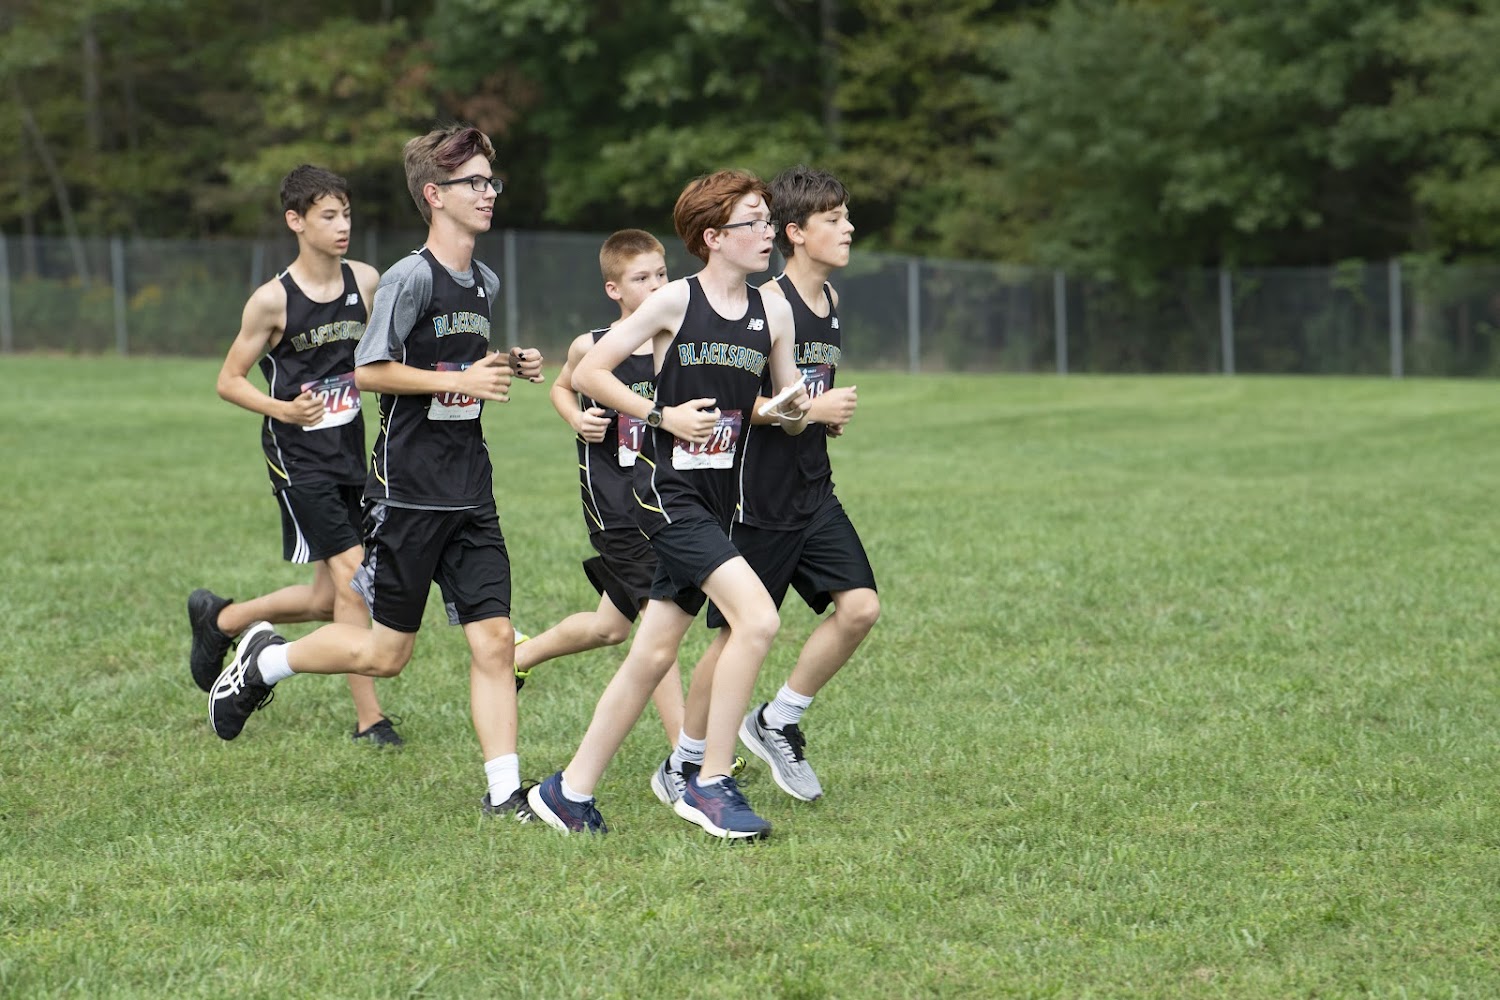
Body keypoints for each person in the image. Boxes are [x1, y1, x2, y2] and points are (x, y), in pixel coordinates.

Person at [207, 123, 545, 819]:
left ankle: (504, 792)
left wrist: (506, 362)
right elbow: (370, 371)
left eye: (491, 181)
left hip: (470, 488)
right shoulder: (407, 277)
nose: (489, 193)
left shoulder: (483, 280)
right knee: (387, 655)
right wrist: (460, 379)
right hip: (408, 493)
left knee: (493, 640)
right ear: (435, 195)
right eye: (474, 183)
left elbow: (455, 364)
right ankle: (264, 663)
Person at [527, 169, 810, 840]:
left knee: (652, 655)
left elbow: (788, 409)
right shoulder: (674, 301)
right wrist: (663, 415)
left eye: (768, 220)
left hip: (720, 500)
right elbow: (591, 371)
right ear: (713, 237)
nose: (767, 232)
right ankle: (709, 780)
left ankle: (568, 792)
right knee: (757, 620)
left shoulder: (774, 312)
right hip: (666, 494)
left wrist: (795, 408)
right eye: (752, 222)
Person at [186, 164, 400, 747]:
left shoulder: (366, 281)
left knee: (325, 599)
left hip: (351, 454)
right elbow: (229, 380)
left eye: (346, 214)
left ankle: (221, 620)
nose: (342, 225)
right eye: (328, 216)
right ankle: (370, 719)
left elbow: (387, 353)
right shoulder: (271, 300)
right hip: (298, 459)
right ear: (295, 221)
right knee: (356, 580)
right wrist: (283, 410)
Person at [692, 165, 880, 803]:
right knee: (734, 637)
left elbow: (803, 393)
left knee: (861, 607)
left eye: (846, 216)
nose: (848, 228)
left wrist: (821, 416)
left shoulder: (831, 302)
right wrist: (809, 410)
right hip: (758, 500)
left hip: (813, 491)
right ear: (795, 233)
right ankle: (686, 759)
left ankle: (778, 720)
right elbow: (734, 404)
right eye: (833, 219)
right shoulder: (766, 304)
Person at [510, 229, 690, 768]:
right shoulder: (592, 347)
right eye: (641, 278)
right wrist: (576, 418)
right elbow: (561, 386)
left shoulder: (680, 342)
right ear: (614, 289)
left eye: (662, 274)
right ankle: (688, 756)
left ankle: (521, 654)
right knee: (660, 620)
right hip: (616, 508)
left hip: (667, 501)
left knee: (610, 627)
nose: (656, 285)